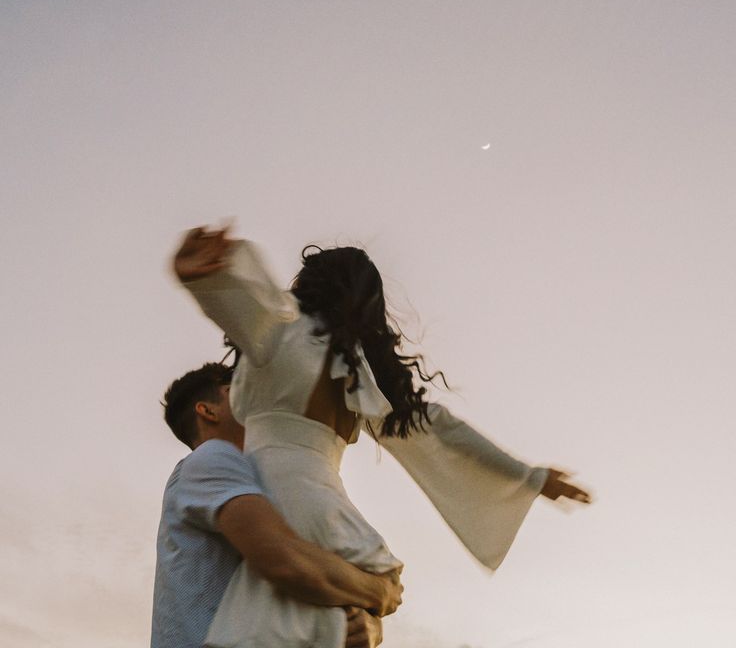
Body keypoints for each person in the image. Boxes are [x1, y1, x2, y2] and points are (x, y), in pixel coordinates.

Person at [172, 226, 591, 648]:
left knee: (272, 624)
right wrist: (529, 477)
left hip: (279, 495)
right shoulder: (362, 377)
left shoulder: (283, 331)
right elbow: (443, 430)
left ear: (309, 285)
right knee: (330, 622)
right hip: (326, 505)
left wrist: (207, 274)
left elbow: (252, 296)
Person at [151, 362, 402, 648]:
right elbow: (284, 561)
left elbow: (312, 574)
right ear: (208, 410)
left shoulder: (254, 476)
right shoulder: (210, 457)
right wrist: (379, 591)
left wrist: (368, 625)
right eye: (236, 389)